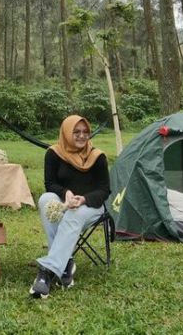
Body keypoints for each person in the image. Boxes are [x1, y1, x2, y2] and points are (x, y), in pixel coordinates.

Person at [29, 114, 110, 299]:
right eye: (76, 132)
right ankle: (65, 265)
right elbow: (50, 184)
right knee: (46, 200)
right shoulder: (53, 153)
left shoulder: (97, 157)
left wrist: (83, 200)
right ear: (66, 133)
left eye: (85, 132)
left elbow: (104, 190)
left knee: (75, 213)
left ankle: (46, 272)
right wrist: (66, 193)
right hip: (65, 202)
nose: (82, 136)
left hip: (92, 206)